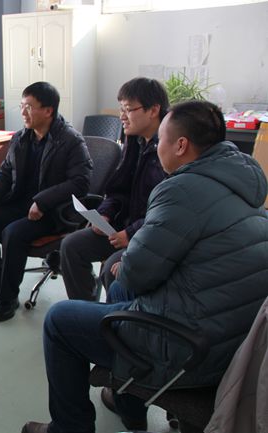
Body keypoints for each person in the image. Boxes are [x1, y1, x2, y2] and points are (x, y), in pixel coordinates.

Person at [22, 100, 268, 433]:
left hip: (192, 349)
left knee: (59, 319)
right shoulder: (243, 182)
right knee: (117, 288)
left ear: (181, 145)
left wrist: (129, 259)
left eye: (162, 139)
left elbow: (136, 274)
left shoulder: (181, 189)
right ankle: (129, 404)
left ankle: (69, 427)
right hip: (235, 338)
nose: (157, 146)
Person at [0, 81, 92, 322]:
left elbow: (80, 183)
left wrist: (42, 202)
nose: (23, 112)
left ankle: (8, 299)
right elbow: (5, 173)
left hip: (54, 211)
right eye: (22, 106)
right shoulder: (21, 138)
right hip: (23, 204)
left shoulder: (70, 140)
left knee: (13, 233)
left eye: (29, 107)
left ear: (48, 111)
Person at [60, 77, 168, 301]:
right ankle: (85, 308)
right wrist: (105, 213)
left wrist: (130, 234)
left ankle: (115, 317)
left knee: (112, 267)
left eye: (128, 109)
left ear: (153, 110)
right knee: (71, 245)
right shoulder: (135, 141)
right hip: (123, 227)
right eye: (121, 109)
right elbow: (119, 189)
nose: (122, 116)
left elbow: (166, 212)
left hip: (150, 235)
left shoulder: (167, 149)